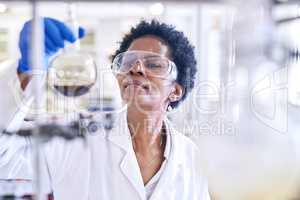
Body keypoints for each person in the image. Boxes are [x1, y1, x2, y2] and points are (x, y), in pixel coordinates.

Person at [2, 17, 211, 200]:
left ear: (175, 90)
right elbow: (5, 157)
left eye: (154, 64)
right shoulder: (78, 135)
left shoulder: (190, 155)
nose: (136, 68)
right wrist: (25, 72)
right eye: (128, 61)